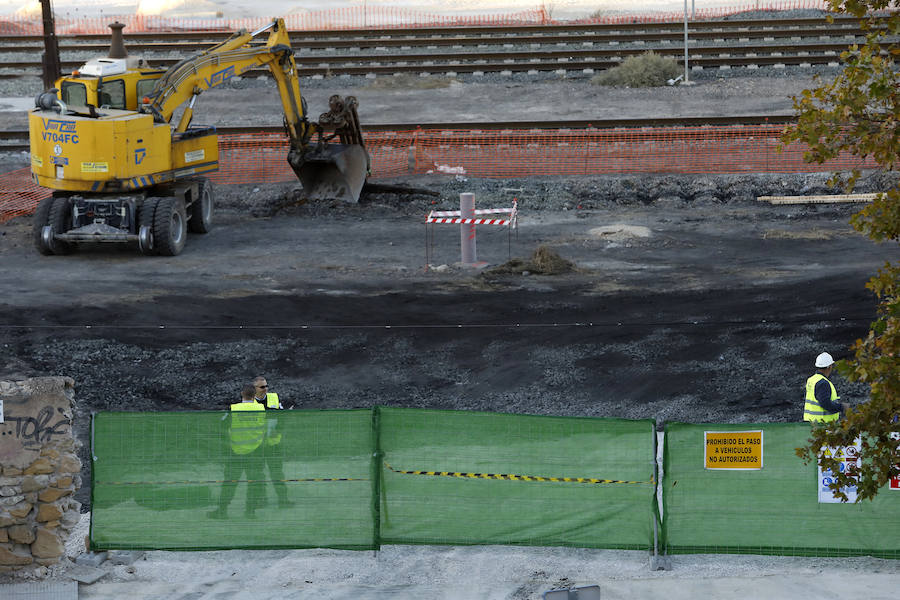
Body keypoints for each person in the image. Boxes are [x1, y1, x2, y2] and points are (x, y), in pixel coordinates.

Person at [208, 384, 266, 519]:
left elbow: (222, 426)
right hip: (256, 451)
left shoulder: (233, 409)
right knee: (254, 482)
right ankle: (250, 512)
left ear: (242, 394)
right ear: (255, 395)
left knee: (230, 482)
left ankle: (222, 511)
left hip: (235, 451)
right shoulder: (261, 409)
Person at [253, 376, 293, 508]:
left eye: (266, 386)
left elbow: (281, 418)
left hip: (273, 444)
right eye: (262, 387)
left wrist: (278, 431)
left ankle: (283, 500)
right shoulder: (249, 403)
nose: (266, 389)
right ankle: (261, 500)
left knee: (277, 473)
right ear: (255, 388)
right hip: (257, 445)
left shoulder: (274, 398)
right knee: (258, 474)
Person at [803, 352, 850, 424]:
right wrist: (842, 407)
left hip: (811, 423)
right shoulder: (823, 383)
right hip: (822, 424)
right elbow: (825, 403)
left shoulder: (812, 379)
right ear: (829, 366)